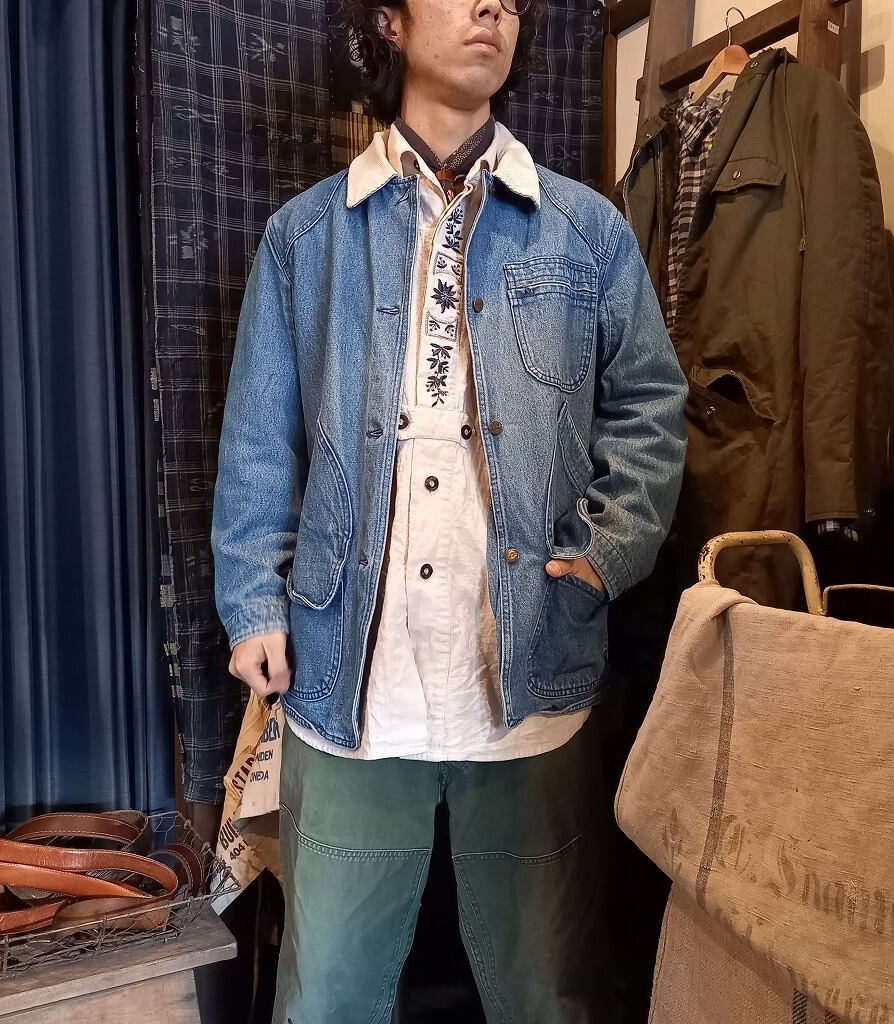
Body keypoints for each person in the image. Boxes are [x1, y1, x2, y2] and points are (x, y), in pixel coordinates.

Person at [211, 0, 687, 1019]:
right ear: (389, 23)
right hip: (349, 677)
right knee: (327, 992)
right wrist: (253, 603)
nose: (494, 8)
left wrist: (605, 554)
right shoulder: (306, 236)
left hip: (531, 670)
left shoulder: (584, 228)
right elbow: (259, 436)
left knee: (548, 990)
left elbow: (650, 406)